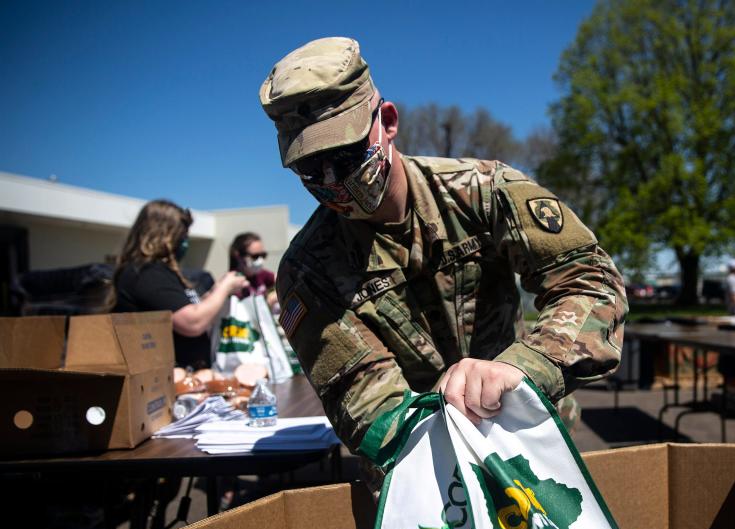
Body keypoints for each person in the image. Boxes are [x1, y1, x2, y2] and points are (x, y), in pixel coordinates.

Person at [258, 37, 627, 457]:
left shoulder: (482, 192)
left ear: (388, 122)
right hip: (423, 465)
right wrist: (445, 418)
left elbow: (591, 282)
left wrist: (522, 369)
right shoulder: (307, 272)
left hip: (536, 437)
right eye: (310, 167)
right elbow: (364, 403)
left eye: (345, 155)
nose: (331, 180)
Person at [113, 199, 246, 369]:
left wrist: (215, 291)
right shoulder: (146, 274)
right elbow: (192, 322)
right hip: (164, 383)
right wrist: (224, 287)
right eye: (182, 236)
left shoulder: (161, 272)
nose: (185, 242)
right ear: (163, 235)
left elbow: (184, 306)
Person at [229, 232, 278, 307]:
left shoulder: (261, 274)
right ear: (238, 256)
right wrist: (270, 300)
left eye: (263, 255)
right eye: (255, 256)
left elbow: (283, 279)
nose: (260, 260)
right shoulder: (233, 282)